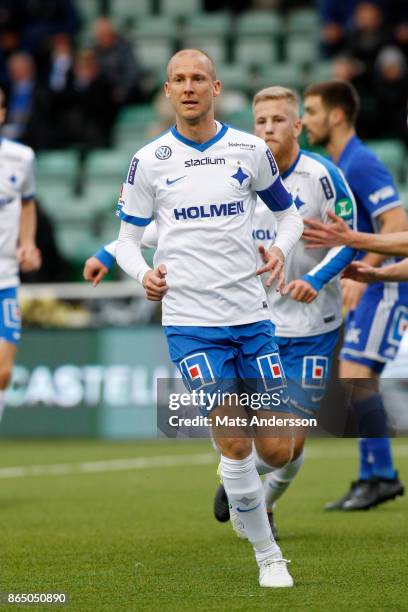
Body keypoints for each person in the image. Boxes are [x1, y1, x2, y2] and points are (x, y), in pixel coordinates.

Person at [84, 86, 358, 540]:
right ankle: (243, 485)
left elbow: (350, 238)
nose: (268, 128)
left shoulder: (322, 178)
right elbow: (171, 227)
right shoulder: (240, 169)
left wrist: (313, 280)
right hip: (253, 318)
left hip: (312, 326)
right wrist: (108, 251)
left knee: (286, 450)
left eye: (278, 120)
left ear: (298, 126)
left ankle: (256, 495)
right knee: (245, 437)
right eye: (261, 121)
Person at [114, 48, 305, 588]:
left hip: (251, 316)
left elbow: (288, 213)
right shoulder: (148, 160)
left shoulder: (249, 149)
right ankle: (269, 557)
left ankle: (237, 481)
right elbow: (128, 241)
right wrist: (141, 275)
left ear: (216, 87)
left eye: (199, 78)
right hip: (191, 323)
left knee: (276, 447)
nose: (190, 87)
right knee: (237, 441)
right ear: (168, 90)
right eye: (180, 79)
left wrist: (280, 250)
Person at [302, 79, 406, 510]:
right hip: (369, 278)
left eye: (310, 111)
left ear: (337, 115)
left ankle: (380, 475)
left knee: (356, 373)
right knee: (356, 376)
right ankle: (372, 475)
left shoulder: (360, 162)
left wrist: (369, 274)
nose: (304, 121)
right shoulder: (340, 162)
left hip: (382, 284)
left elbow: (396, 224)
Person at [0, 87, 40, 424]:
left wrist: (28, 243)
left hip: (5, 277)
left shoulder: (21, 157)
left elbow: (27, 203)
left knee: (2, 371)